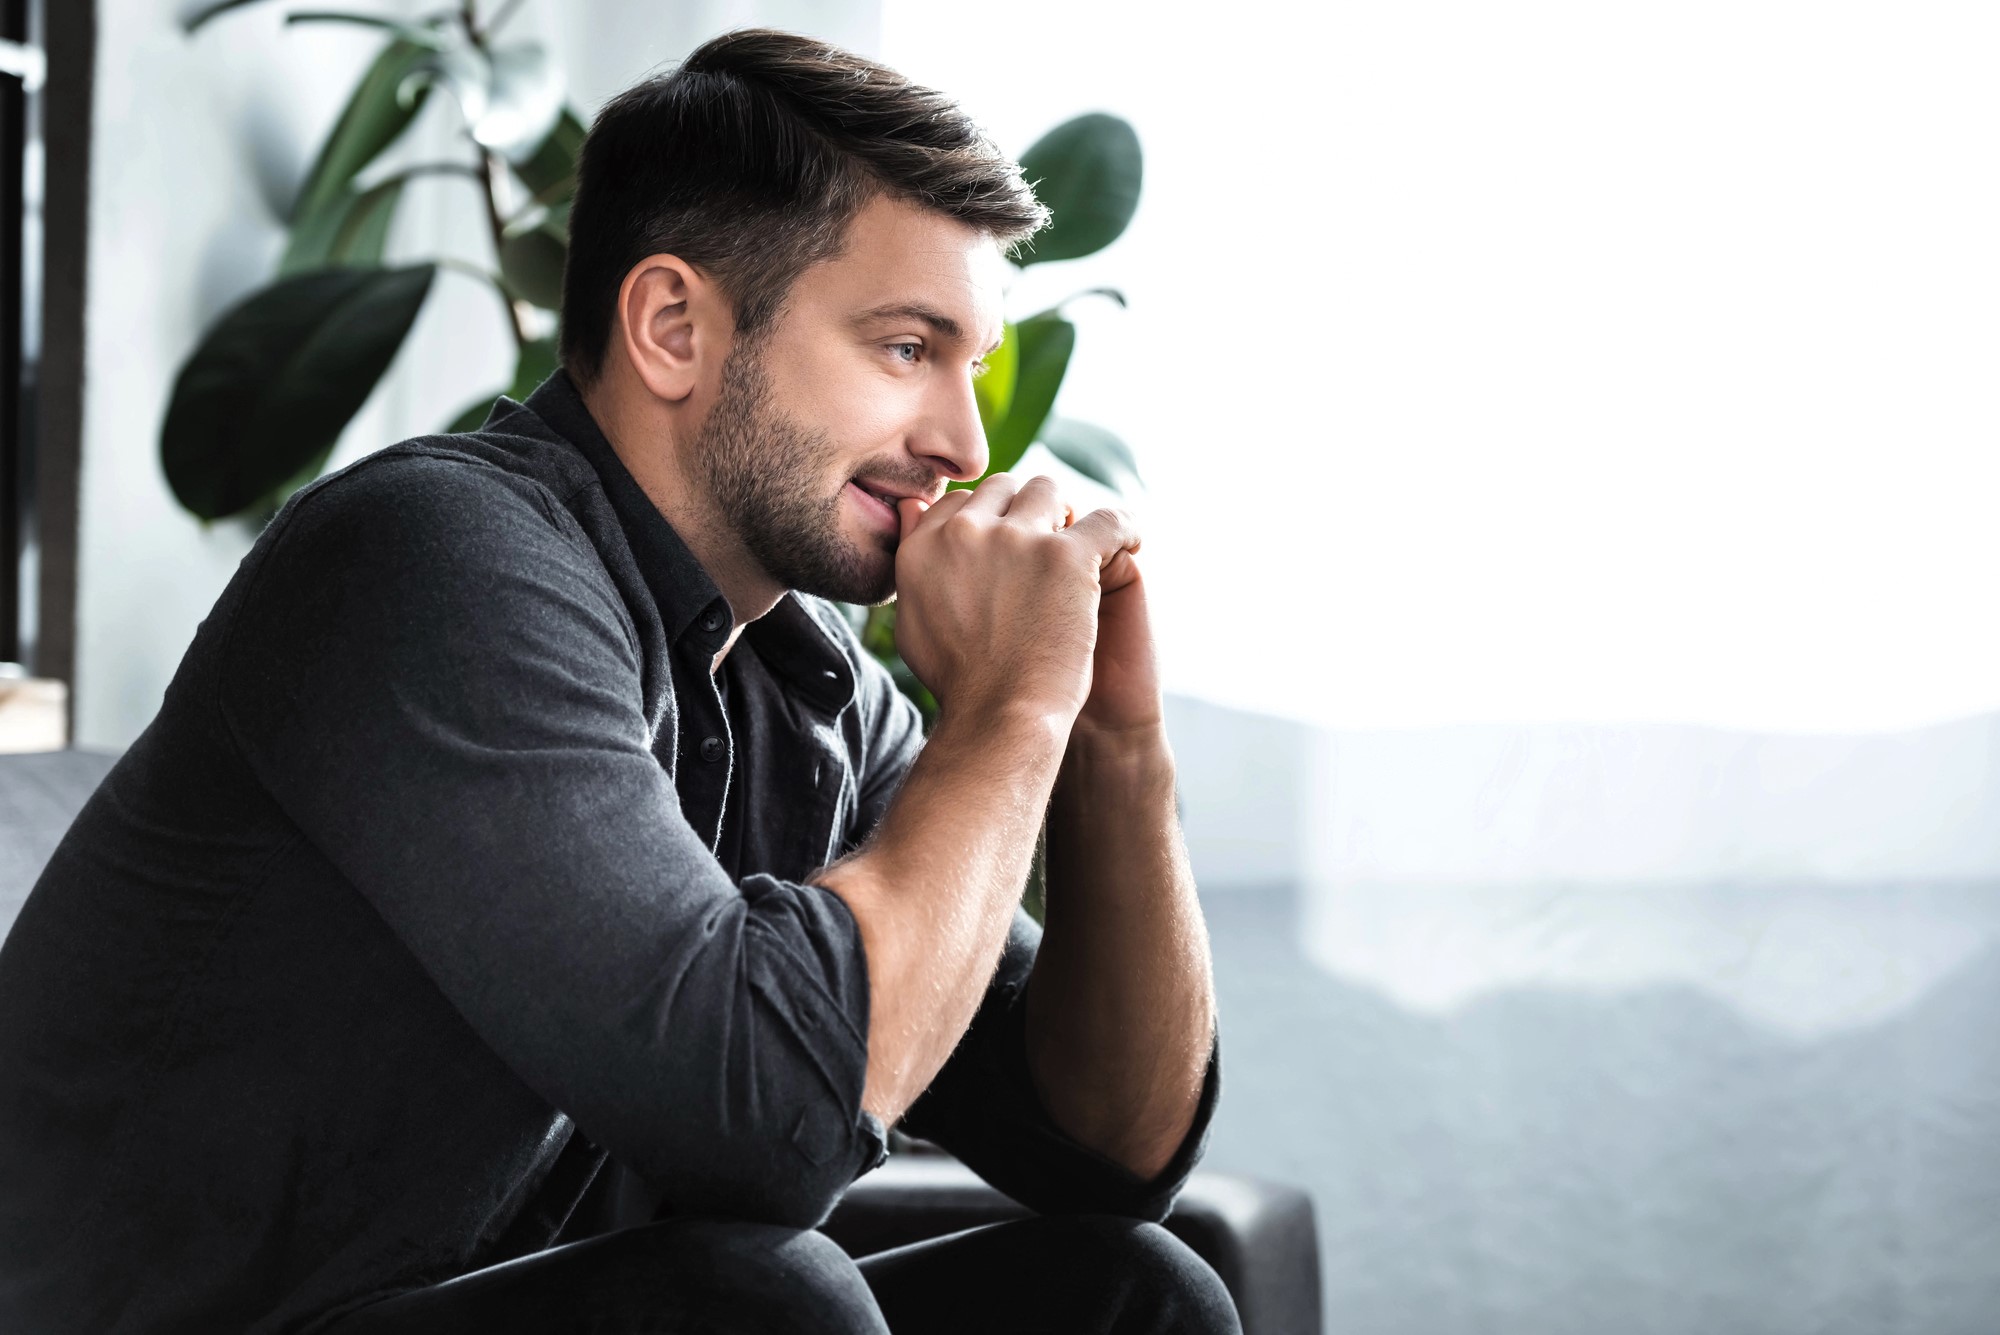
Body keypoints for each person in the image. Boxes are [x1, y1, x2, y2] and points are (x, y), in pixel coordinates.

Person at [0, 27, 1232, 1335]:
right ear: (672, 327)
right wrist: (1006, 711)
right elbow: (764, 1134)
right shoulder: (434, 558)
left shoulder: (801, 682)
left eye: (968, 363)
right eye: (905, 348)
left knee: (1128, 1295)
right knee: (761, 1303)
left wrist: (1111, 742)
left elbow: (1112, 1149)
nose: (965, 443)